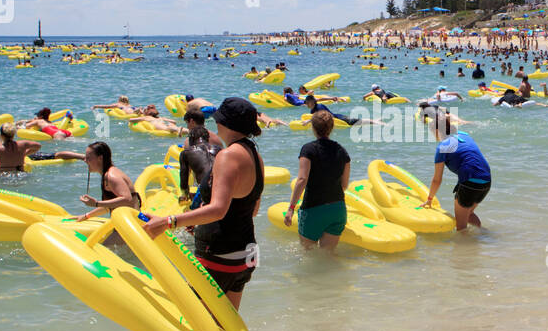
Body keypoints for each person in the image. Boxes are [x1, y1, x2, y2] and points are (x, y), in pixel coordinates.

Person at [143, 98, 266, 308]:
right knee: (226, 324)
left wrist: (168, 221)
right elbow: (252, 209)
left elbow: (218, 210)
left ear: (225, 124)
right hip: (246, 255)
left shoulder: (228, 156)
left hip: (219, 255)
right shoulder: (255, 155)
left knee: (196, 325)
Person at [284, 111, 351, 250]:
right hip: (337, 209)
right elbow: (344, 185)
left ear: (313, 128)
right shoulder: (342, 151)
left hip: (313, 210)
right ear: (332, 128)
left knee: (308, 255)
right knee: (328, 255)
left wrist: (291, 209)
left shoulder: (308, 149)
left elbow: (302, 180)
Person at [422, 110, 491, 231]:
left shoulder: (443, 147)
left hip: (470, 184)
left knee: (461, 227)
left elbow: (437, 180)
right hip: (486, 181)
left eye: (432, 132)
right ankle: (483, 236)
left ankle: (466, 248)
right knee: (468, 214)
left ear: (437, 131)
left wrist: (429, 200)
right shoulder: (464, 135)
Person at [74, 142, 140, 222]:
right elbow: (110, 205)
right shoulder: (108, 174)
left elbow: (127, 199)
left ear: (100, 158)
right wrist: (87, 215)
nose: (85, 160)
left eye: (88, 158)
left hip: (133, 223)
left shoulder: (111, 176)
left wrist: (96, 203)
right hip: (128, 220)